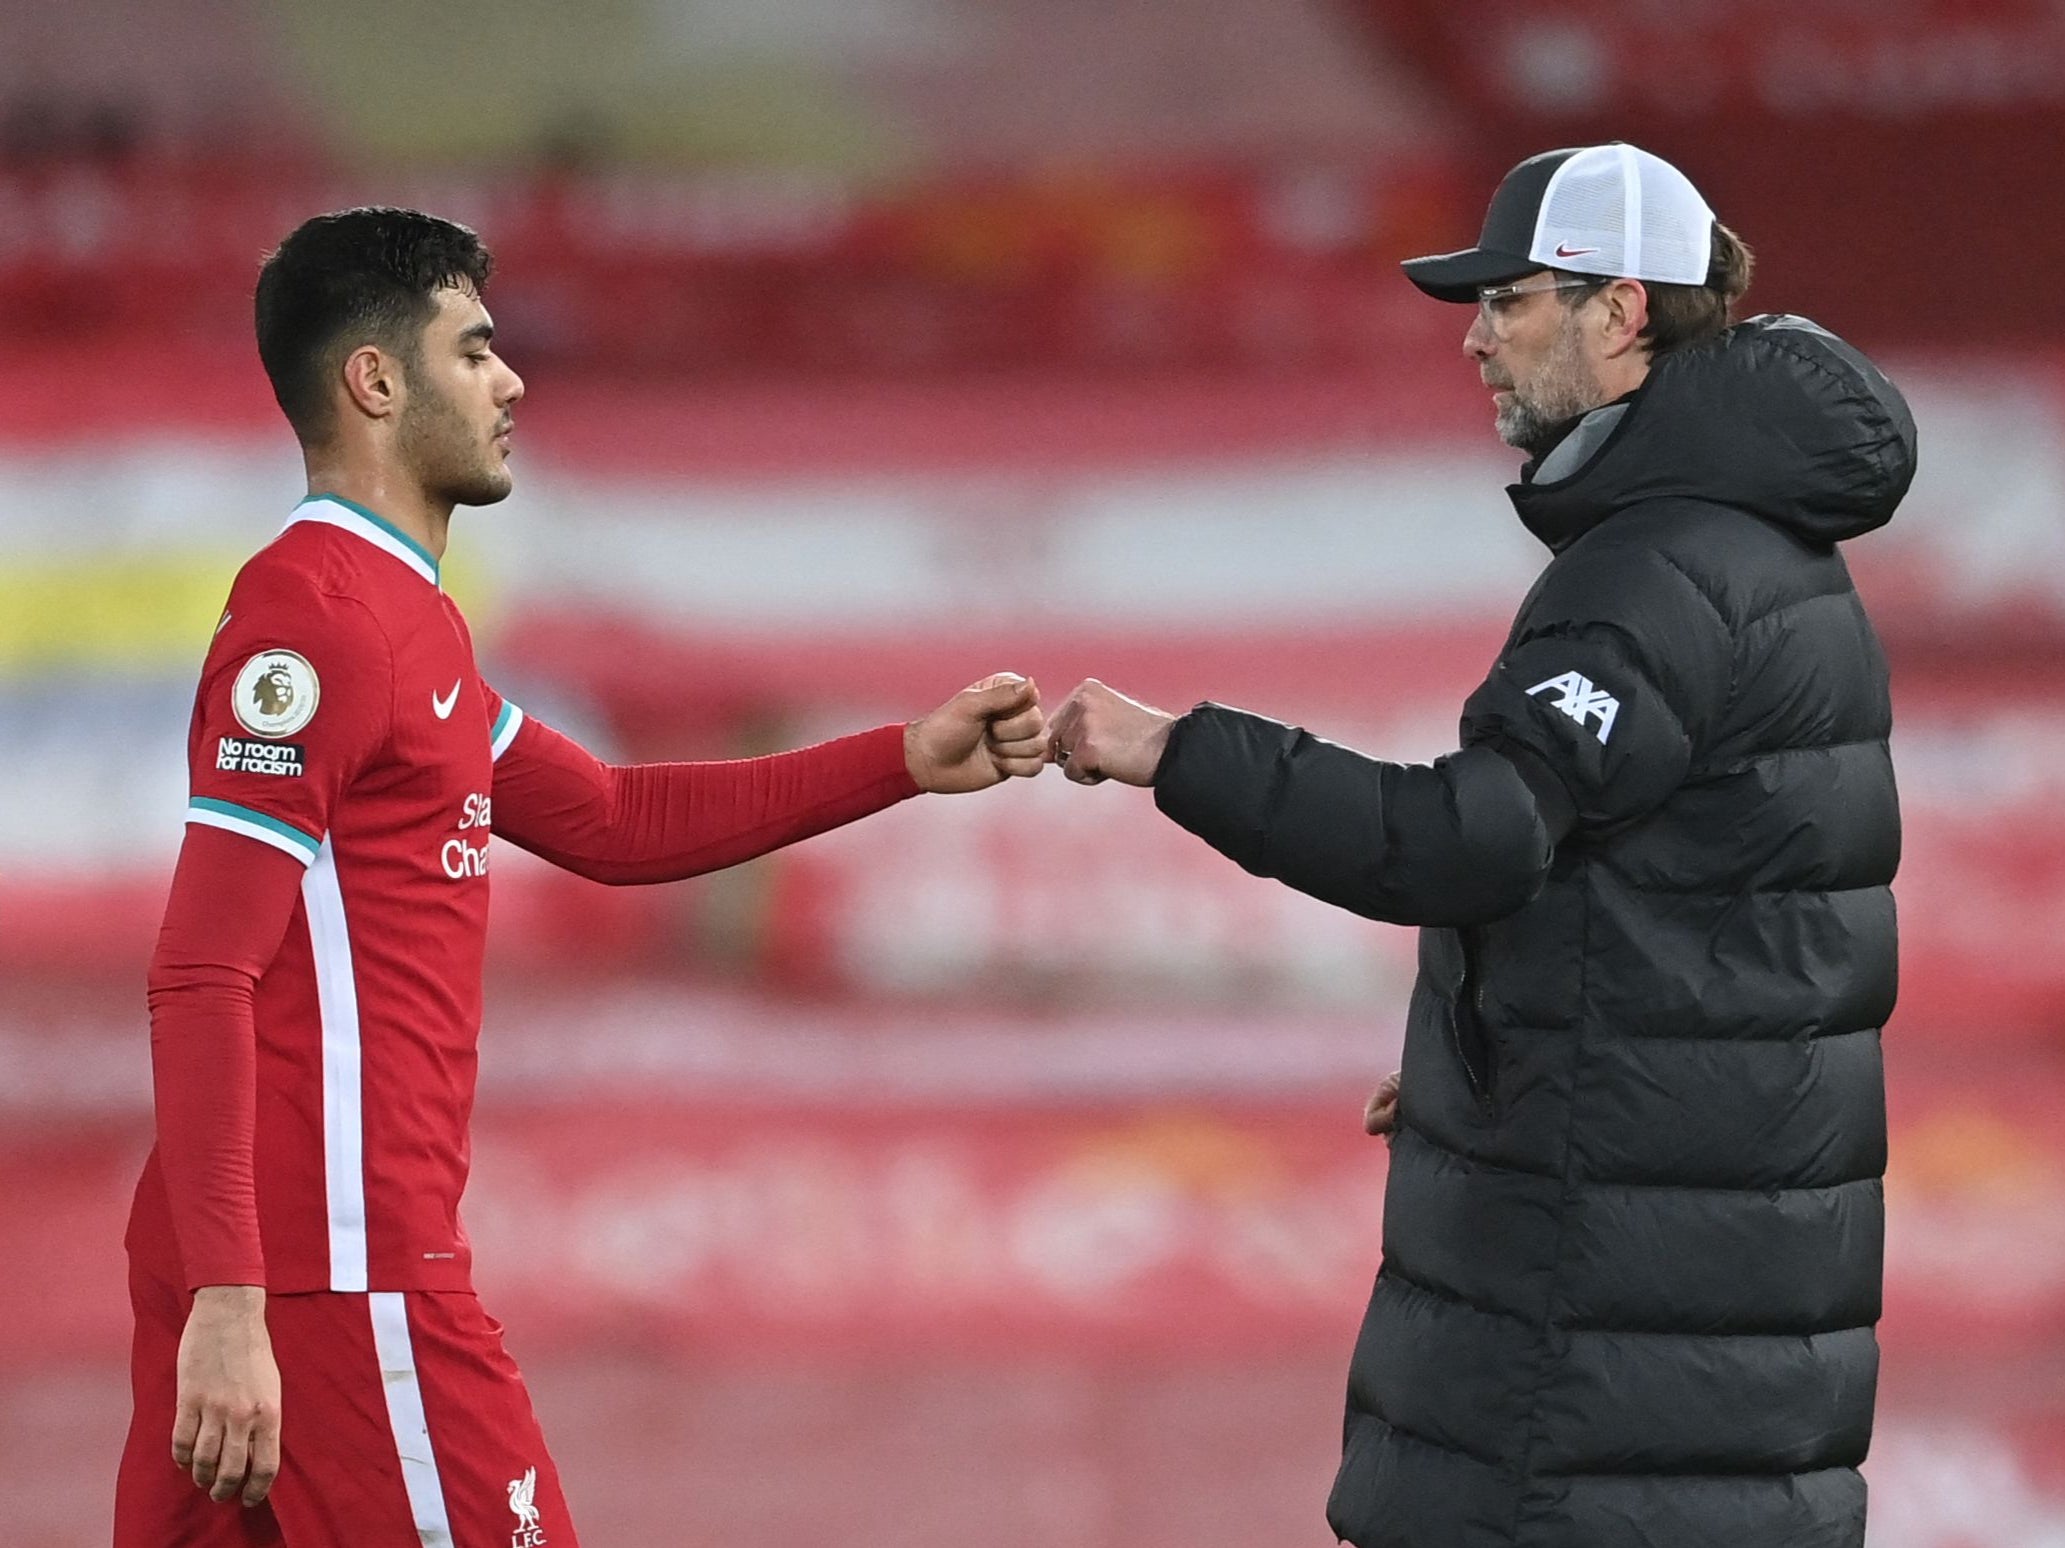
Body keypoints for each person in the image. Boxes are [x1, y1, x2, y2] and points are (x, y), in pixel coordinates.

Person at [115, 206, 1049, 1548]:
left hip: (289, 1270)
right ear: (374, 383)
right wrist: (230, 1298)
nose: (511, 383)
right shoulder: (313, 621)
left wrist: (901, 758)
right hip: (334, 1279)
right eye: (474, 352)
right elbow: (201, 966)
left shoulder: (409, 627)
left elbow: (611, 818)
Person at [1044, 143, 1915, 1548]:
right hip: (1688, 1341)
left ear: (1619, 314)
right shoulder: (1758, 545)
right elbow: (1708, 927)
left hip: (1596, 1392)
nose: (1474, 338)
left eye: (1508, 299)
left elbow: (1467, 842)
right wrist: (1503, 1052)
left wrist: (1174, 750)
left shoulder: (1653, 569)